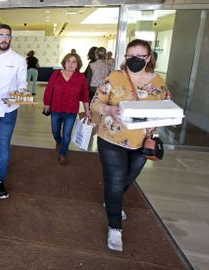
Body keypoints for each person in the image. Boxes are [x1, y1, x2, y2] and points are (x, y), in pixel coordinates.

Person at [91, 39, 171, 252]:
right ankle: (115, 226)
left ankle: (112, 198)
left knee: (128, 178)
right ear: (125, 57)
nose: (134, 60)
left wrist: (159, 123)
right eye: (130, 56)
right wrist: (108, 110)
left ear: (149, 57)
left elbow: (166, 107)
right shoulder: (115, 78)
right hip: (112, 139)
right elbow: (95, 102)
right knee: (115, 181)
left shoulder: (159, 82)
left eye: (140, 56)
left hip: (142, 141)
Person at [0, 24, 27, 199]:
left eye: (7, 36)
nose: (4, 39)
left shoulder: (18, 59)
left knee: (4, 144)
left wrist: (15, 97)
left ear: (11, 38)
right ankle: (0, 162)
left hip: (9, 109)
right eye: (1, 35)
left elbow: (23, 86)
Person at [43, 53, 91, 166]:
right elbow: (49, 89)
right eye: (68, 61)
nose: (70, 64)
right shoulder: (56, 74)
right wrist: (46, 104)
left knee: (67, 134)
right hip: (56, 109)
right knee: (55, 131)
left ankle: (62, 154)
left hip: (71, 111)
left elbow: (85, 96)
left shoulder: (81, 78)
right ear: (64, 62)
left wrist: (87, 111)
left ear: (77, 64)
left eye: (74, 62)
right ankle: (59, 142)